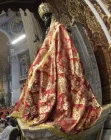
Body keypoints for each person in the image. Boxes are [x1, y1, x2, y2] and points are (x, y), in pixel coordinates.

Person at [11, 2, 102, 134]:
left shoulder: (58, 27)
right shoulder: (49, 31)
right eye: (43, 18)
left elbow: (60, 48)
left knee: (37, 70)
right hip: (51, 61)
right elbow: (46, 51)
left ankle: (50, 107)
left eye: (47, 16)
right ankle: (39, 107)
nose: (45, 20)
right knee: (34, 71)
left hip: (60, 61)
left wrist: (42, 62)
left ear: (51, 15)